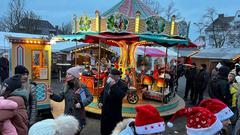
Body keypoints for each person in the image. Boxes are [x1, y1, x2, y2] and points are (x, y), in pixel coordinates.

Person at [47, 66, 93, 134]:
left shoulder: (81, 86)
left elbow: (90, 97)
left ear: (74, 76)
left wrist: (81, 103)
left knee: (76, 132)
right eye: (67, 74)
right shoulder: (65, 86)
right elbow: (60, 98)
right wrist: (52, 94)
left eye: (69, 74)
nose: (66, 76)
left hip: (78, 115)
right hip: (67, 116)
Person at [98, 68, 128, 135]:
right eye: (109, 76)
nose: (109, 77)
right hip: (105, 112)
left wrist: (114, 85)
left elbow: (120, 95)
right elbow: (102, 94)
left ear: (117, 77)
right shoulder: (108, 83)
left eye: (111, 76)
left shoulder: (123, 85)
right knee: (104, 130)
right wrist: (100, 102)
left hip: (114, 113)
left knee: (113, 131)